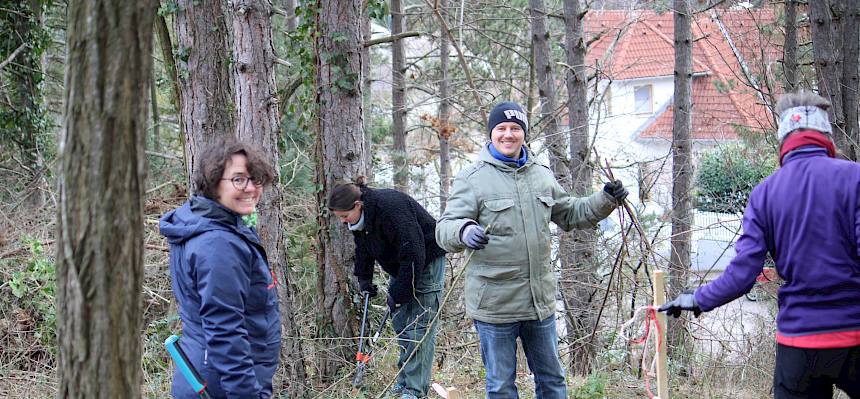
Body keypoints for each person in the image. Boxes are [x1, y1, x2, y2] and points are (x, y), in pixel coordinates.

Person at [659, 91, 860, 398]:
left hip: (799, 343)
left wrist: (697, 298)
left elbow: (741, 276)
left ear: (783, 141)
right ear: (827, 136)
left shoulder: (764, 194)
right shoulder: (855, 179)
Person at [435, 101, 628, 398]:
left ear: (524, 133)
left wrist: (605, 199)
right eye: (501, 128)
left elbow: (570, 213)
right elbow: (444, 229)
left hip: (539, 304)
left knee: (552, 381)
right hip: (494, 305)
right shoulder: (472, 178)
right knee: (501, 387)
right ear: (491, 134)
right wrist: (464, 231)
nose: (508, 134)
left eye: (515, 128)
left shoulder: (540, 173)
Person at [160, 139, 280, 398]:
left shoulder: (203, 221)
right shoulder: (218, 245)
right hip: (221, 383)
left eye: (255, 179)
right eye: (238, 180)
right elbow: (226, 332)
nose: (251, 188)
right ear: (213, 183)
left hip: (207, 371)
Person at [328, 176, 447, 399]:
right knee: (401, 322)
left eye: (344, 216)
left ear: (357, 204)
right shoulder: (361, 219)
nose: (343, 221)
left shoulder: (389, 208)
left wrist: (400, 293)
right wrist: (364, 279)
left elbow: (413, 252)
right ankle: (404, 380)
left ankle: (415, 390)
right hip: (404, 267)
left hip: (426, 261)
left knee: (418, 326)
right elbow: (363, 247)